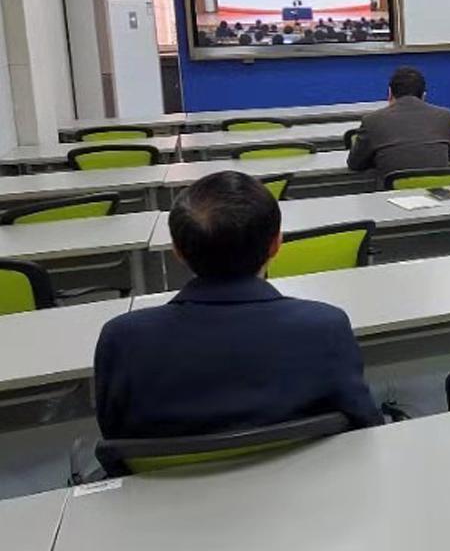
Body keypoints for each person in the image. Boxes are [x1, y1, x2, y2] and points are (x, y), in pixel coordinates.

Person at [93, 172, 382, 439]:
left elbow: (115, 437)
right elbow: (363, 423)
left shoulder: (123, 339)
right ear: (276, 245)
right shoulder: (325, 327)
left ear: (177, 252)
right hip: (309, 475)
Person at [348, 66, 450, 177]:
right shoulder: (445, 116)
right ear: (424, 95)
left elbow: (355, 164)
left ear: (390, 93)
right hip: (435, 187)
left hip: (390, 188)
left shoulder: (372, 121)